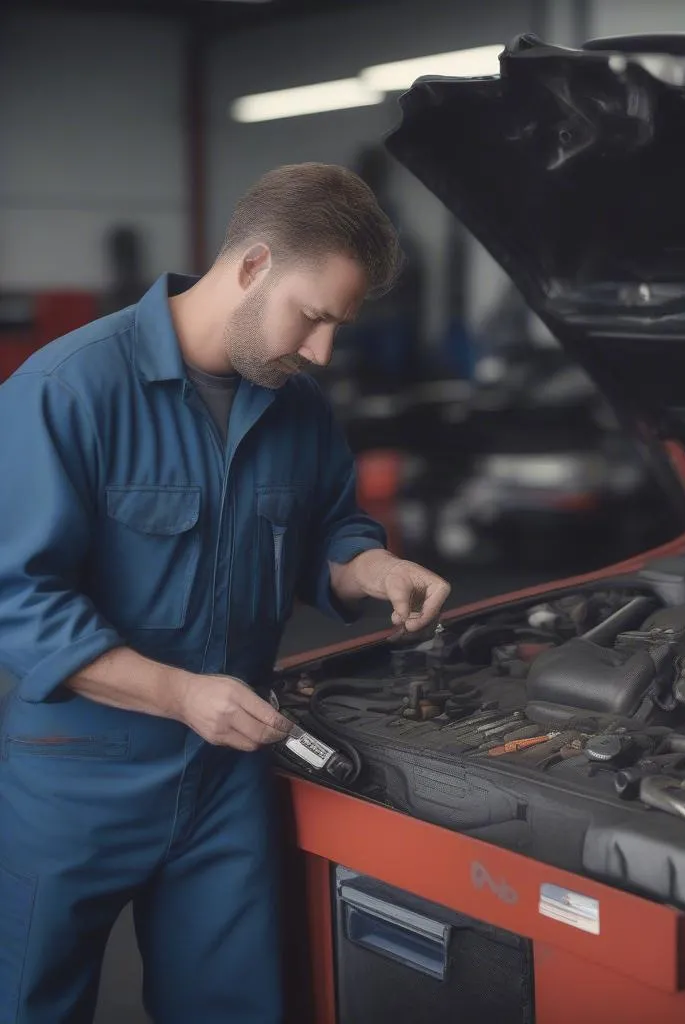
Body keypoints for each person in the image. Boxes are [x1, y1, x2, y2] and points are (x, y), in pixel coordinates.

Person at [0, 162, 452, 1024]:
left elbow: (330, 527)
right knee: (31, 1002)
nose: (320, 351)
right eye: (313, 317)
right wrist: (176, 693)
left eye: (336, 329)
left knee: (234, 1006)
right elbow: (16, 597)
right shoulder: (67, 392)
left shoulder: (298, 406)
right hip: (80, 773)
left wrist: (370, 566)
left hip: (226, 776)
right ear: (252, 267)